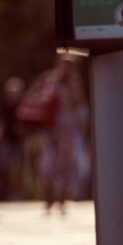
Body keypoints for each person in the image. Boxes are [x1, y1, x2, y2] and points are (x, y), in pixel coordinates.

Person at [28, 55, 89, 215]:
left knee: (67, 165)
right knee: (47, 165)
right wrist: (43, 102)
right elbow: (32, 96)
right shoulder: (48, 79)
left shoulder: (74, 84)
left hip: (67, 130)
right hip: (48, 129)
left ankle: (62, 199)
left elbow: (79, 105)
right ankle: (48, 198)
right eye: (64, 65)